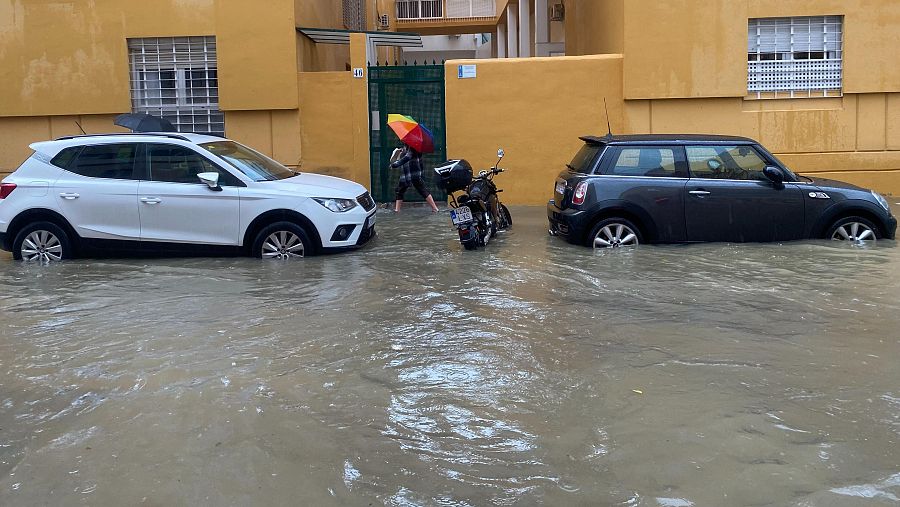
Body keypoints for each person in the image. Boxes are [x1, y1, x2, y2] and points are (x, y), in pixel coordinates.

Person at [391, 143, 439, 213]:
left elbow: (408, 157)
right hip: (406, 172)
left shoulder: (414, 146)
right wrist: (400, 151)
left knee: (421, 189)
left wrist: (395, 164)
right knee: (400, 190)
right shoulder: (406, 146)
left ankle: (435, 208)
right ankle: (397, 210)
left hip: (413, 172)